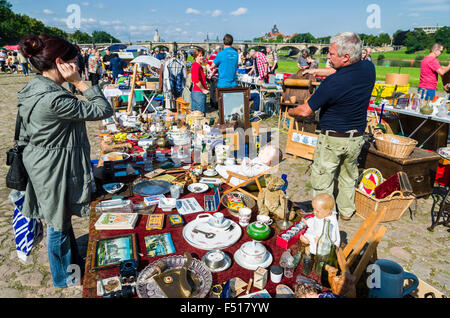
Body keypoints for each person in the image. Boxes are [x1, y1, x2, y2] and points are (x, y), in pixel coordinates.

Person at [17, 34, 113, 288]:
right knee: (57, 224)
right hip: (52, 165)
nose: (78, 64)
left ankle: (72, 264)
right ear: (61, 62)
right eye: (74, 60)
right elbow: (102, 109)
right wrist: (80, 82)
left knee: (58, 216)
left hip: (42, 159)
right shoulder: (54, 98)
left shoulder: (37, 85)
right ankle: (65, 278)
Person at [288, 32, 376, 221]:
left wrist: (290, 111)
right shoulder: (369, 68)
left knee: (323, 180)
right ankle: (346, 211)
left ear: (346, 57)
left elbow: (305, 111)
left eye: (331, 53)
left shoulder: (333, 83)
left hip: (332, 139)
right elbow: (344, 72)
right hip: (356, 138)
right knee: (347, 178)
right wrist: (316, 72)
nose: (327, 56)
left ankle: (325, 218)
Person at [190, 48, 209, 115]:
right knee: (200, 115)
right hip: (198, 93)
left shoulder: (198, 66)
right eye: (199, 56)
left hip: (197, 92)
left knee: (196, 115)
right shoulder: (196, 65)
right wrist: (203, 89)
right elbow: (196, 80)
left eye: (202, 55)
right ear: (195, 57)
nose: (202, 57)